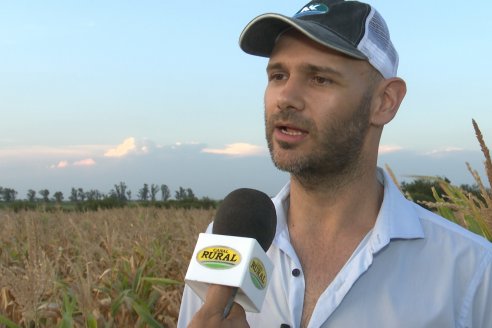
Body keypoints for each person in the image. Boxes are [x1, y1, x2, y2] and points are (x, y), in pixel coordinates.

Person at [178, 1, 492, 327]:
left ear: (385, 102)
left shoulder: (470, 272)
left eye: (319, 79)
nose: (286, 96)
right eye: (278, 75)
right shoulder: (226, 244)